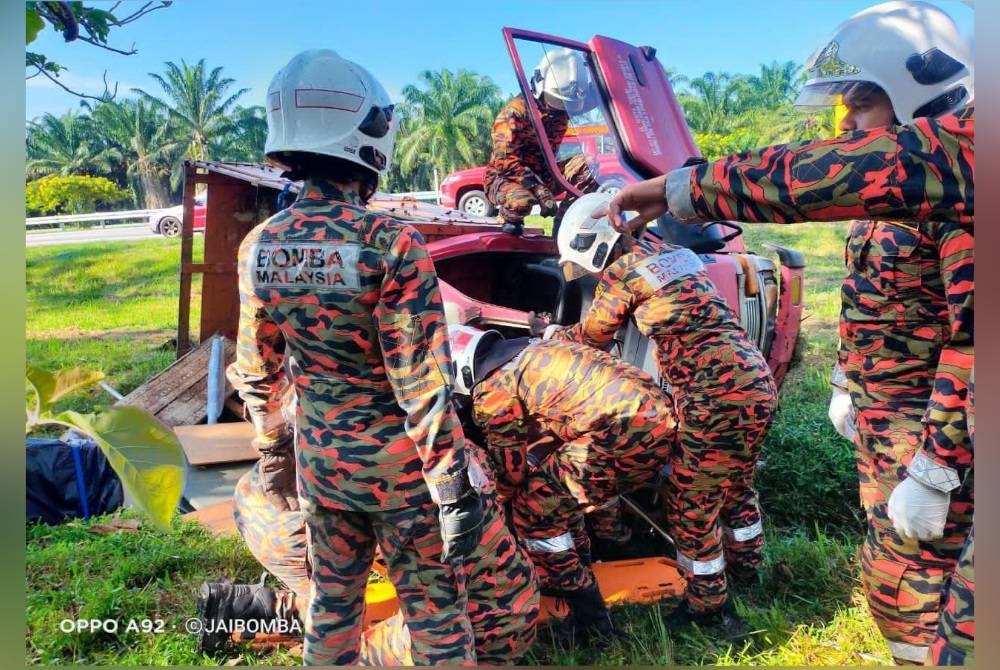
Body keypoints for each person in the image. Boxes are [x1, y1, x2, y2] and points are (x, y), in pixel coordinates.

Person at [601, 2, 974, 663]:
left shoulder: (963, 195)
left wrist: (937, 468)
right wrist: (845, 379)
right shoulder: (903, 197)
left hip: (933, 435)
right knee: (892, 574)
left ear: (914, 94)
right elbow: (866, 291)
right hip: (884, 426)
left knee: (928, 589)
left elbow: (973, 344)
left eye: (860, 107)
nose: (845, 125)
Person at [224, 49, 485, 666]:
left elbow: (257, 370)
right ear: (367, 135)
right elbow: (420, 380)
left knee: (332, 608)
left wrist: (274, 451)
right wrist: (453, 487)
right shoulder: (389, 242)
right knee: (437, 617)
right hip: (402, 475)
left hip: (320, 467)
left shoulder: (260, 245)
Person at [541, 191, 776, 632]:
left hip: (715, 395)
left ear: (592, 244)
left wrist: (551, 334)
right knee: (736, 483)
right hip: (754, 381)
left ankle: (710, 610)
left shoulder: (624, 274)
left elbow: (593, 337)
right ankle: (747, 569)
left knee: (691, 503)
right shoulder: (674, 254)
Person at [197, 443, 540, 666]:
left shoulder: (332, 410)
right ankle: (283, 619)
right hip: (492, 614)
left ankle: (262, 609)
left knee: (343, 602)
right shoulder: (453, 460)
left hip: (269, 503)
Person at [448, 325, 678, 642]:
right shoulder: (529, 351)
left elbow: (510, 473)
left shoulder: (492, 391)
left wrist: (494, 506)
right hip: (651, 416)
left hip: (627, 431)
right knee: (556, 493)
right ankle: (579, 568)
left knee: (534, 508)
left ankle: (590, 620)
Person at [484, 47, 600, 235]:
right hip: (507, 178)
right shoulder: (515, 112)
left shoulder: (568, 103)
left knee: (588, 166)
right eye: (558, 100)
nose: (562, 108)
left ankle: (565, 227)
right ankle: (509, 220)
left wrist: (631, 64)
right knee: (521, 202)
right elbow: (504, 162)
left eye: (567, 103)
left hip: (547, 173)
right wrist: (538, 189)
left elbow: (602, 90)